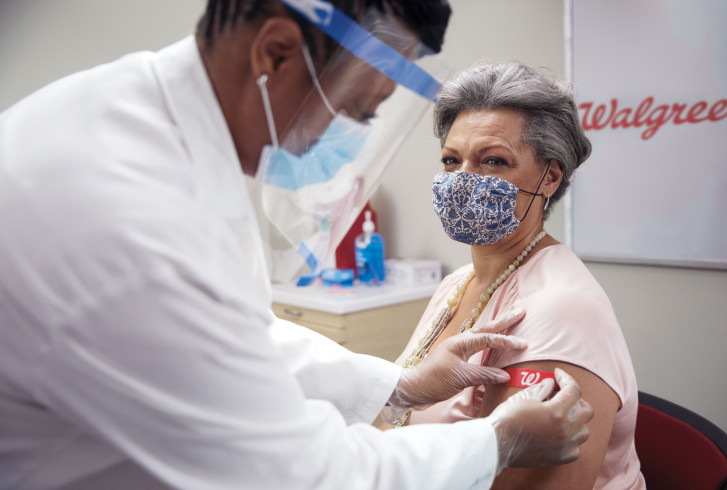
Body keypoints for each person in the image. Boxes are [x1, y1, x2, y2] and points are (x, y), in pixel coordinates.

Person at [0, 2, 593, 489]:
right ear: (277, 52)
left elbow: (232, 331)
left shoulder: (144, 120)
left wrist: (397, 386)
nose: (345, 136)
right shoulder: (124, 214)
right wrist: (500, 440)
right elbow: (301, 474)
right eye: (356, 109)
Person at [382, 61, 645, 489]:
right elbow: (398, 426)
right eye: (451, 160)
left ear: (550, 177)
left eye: (493, 161)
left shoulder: (560, 307)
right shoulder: (458, 284)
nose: (462, 179)